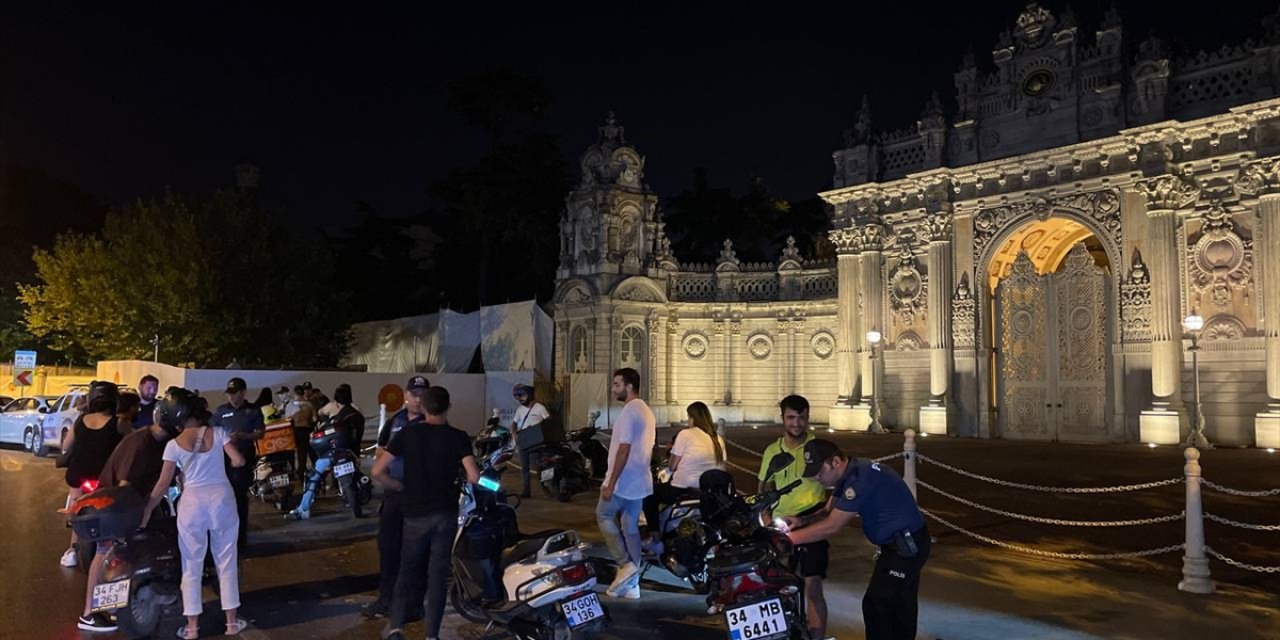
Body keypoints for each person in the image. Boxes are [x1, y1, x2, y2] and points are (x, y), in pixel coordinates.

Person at [785, 439, 929, 640]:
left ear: (835, 462)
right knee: (900, 602)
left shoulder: (860, 478)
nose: (816, 477)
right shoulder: (850, 474)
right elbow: (828, 511)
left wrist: (787, 539)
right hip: (898, 546)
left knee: (877, 603)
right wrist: (801, 521)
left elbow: (832, 525)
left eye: (819, 470)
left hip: (907, 547)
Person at [373, 386, 480, 640]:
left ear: (423, 407)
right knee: (437, 576)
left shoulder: (408, 435)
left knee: (407, 570)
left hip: (414, 513)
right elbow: (474, 476)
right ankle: (431, 635)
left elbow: (377, 471)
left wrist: (398, 486)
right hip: (445, 514)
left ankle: (396, 628)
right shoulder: (458, 436)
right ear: (448, 407)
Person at [141, 389, 248, 640]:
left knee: (191, 565)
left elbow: (162, 483)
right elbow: (239, 461)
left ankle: (191, 628)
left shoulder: (172, 445)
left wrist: (147, 510)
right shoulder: (219, 433)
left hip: (192, 504)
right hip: (222, 500)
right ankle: (231, 623)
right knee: (226, 560)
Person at [80, 388, 182, 632]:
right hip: (113, 508)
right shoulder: (141, 443)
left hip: (125, 505)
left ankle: (111, 606)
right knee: (106, 553)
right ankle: (89, 613)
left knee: (121, 553)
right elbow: (123, 488)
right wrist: (137, 516)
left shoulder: (160, 442)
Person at [758, 395, 829, 639]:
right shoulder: (771, 451)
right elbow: (763, 489)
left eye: (801, 417)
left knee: (813, 586)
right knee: (775, 585)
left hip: (811, 520)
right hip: (779, 524)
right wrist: (766, 520)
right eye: (791, 417)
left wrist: (822, 514)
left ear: (808, 417)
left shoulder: (818, 448)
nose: (796, 423)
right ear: (783, 419)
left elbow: (835, 485)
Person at [362, 375, 429, 619]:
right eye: (415, 394)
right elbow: (380, 448)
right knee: (389, 547)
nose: (418, 399)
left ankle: (413, 604)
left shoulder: (431, 422)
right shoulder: (396, 421)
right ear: (406, 395)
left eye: (423, 394)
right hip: (394, 494)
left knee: (417, 551)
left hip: (419, 496)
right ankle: (386, 599)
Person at [63, 381, 125, 632]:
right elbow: (132, 445)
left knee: (75, 508)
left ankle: (70, 550)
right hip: (103, 483)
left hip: (79, 477)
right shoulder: (118, 423)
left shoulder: (81, 421)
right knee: (109, 536)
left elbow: (67, 446)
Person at [596, 367, 655, 600]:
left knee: (603, 515)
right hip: (640, 480)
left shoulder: (630, 411)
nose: (613, 389)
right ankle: (633, 585)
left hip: (624, 480)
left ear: (629, 386)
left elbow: (624, 448)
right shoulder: (647, 411)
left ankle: (625, 564)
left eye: (617, 384)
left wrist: (611, 482)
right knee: (630, 528)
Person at [641, 401, 724, 555]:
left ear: (692, 418)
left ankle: (656, 540)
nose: (688, 421)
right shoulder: (717, 439)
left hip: (684, 489)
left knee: (649, 494)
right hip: (708, 492)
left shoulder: (686, 434)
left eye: (688, 417)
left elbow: (672, 466)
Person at [288, 384, 364, 519]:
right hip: (353, 453)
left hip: (332, 453)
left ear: (336, 400)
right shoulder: (357, 413)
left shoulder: (335, 416)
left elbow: (321, 420)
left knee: (314, 476)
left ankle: (303, 508)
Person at [210, 377, 265, 550]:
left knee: (239, 498)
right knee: (222, 498)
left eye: (235, 393)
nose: (231, 397)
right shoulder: (220, 411)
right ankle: (223, 535)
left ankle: (240, 539)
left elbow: (260, 433)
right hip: (223, 461)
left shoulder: (253, 410)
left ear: (243, 393)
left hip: (244, 459)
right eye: (229, 394)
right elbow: (212, 432)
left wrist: (242, 436)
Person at [511, 383, 550, 498]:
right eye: (519, 396)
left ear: (529, 395)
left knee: (541, 467)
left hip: (537, 442)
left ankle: (547, 488)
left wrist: (538, 427)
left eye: (523, 396)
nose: (520, 399)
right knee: (525, 469)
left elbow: (548, 421)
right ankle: (526, 491)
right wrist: (514, 434)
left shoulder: (540, 407)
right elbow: (513, 424)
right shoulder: (519, 410)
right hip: (524, 441)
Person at [288, 384, 318, 478]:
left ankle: (299, 472)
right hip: (306, 430)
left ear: (295, 393)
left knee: (297, 452)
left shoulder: (291, 405)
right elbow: (315, 419)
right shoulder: (309, 404)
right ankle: (314, 470)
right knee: (308, 451)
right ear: (303, 393)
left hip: (294, 430)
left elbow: (287, 419)